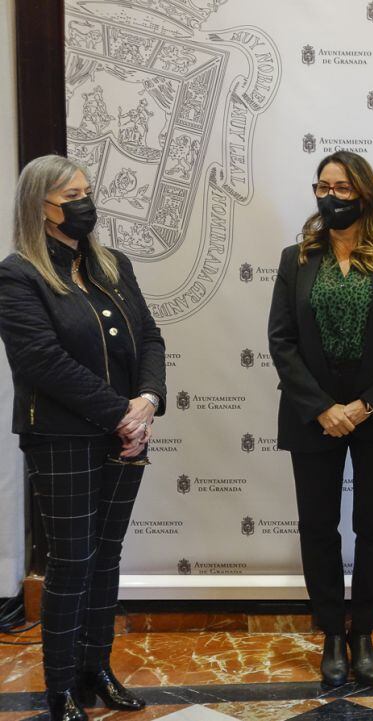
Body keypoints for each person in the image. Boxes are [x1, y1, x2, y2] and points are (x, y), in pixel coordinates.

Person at [0, 154, 166, 721]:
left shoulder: (112, 264)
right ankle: (61, 686)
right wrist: (121, 413)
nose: (84, 203)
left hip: (126, 434)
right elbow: (41, 361)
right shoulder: (18, 273)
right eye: (71, 195)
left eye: (86, 191)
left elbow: (149, 337)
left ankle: (98, 668)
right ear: (41, 208)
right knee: (72, 561)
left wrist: (148, 402)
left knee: (107, 557)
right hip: (63, 437)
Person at [268, 151, 373, 689]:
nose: (330, 196)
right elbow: (281, 340)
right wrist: (322, 408)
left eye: (341, 187)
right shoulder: (297, 258)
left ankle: (364, 635)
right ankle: (332, 634)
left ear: (364, 193)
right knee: (318, 527)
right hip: (313, 415)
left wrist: (365, 405)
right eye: (322, 186)